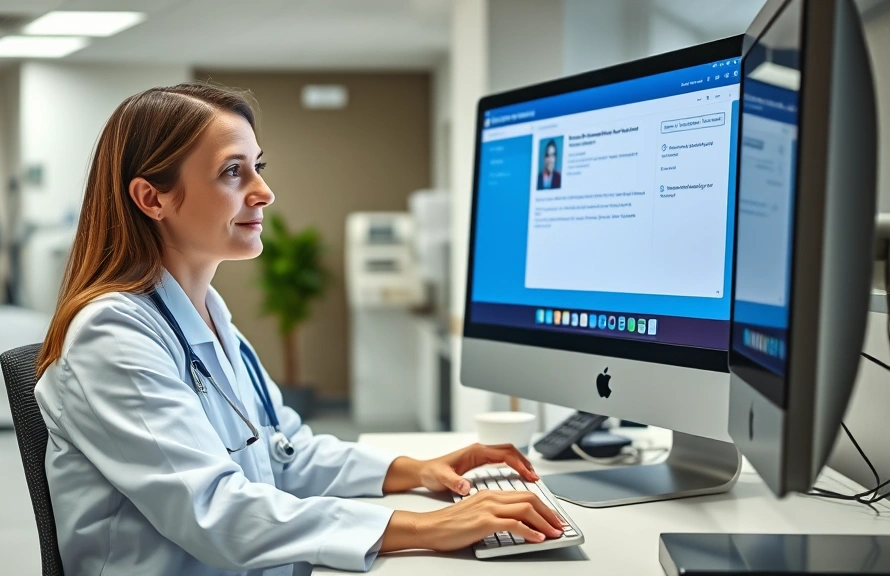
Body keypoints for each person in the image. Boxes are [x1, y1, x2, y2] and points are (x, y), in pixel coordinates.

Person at [33, 82, 563, 576]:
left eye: (257, 167)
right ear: (152, 199)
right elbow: (215, 512)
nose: (263, 192)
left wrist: (418, 470)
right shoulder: (113, 336)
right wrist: (427, 527)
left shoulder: (207, 315)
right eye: (232, 172)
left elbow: (284, 452)